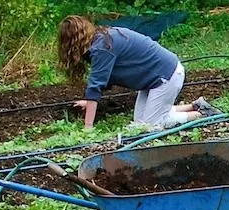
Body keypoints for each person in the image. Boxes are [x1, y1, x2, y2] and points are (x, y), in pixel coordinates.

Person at [56, 16, 215, 130]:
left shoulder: (102, 47)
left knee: (152, 125)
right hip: (152, 80)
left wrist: (88, 129)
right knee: (139, 123)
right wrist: (89, 102)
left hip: (166, 75)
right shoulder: (101, 40)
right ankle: (195, 105)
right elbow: (103, 79)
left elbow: (95, 86)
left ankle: (201, 115)